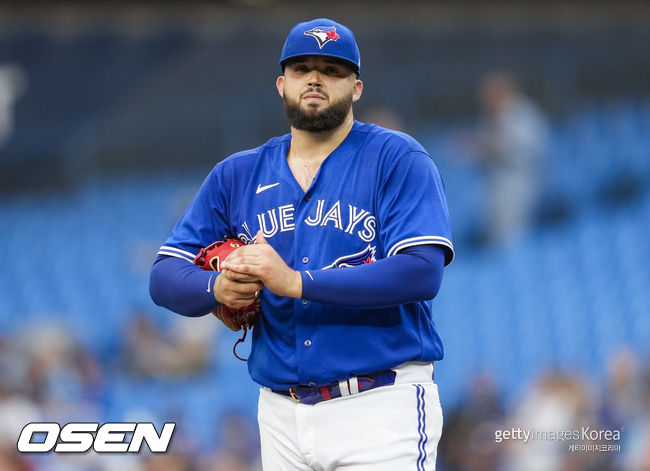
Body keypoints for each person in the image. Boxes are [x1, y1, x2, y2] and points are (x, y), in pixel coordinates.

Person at [150, 18, 454, 470]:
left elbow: (421, 271)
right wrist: (216, 289)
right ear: (281, 84)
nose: (315, 78)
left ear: (356, 88)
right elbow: (164, 276)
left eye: (332, 70)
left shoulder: (397, 158)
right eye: (301, 68)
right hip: (280, 415)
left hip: (379, 406)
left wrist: (297, 282)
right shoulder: (237, 174)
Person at [471, 71, 548, 246]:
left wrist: (486, 146)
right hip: (497, 186)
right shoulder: (490, 117)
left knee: (516, 239)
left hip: (519, 183)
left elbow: (523, 150)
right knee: (499, 238)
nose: (485, 99)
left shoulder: (522, 113)